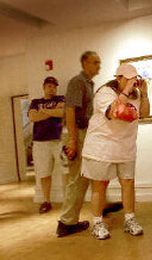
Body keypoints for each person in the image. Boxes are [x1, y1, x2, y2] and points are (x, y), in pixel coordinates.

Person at [81, 63, 150, 239]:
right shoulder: (105, 93)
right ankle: (97, 222)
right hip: (101, 147)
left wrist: (145, 94)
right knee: (100, 185)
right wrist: (126, 90)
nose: (133, 82)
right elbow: (116, 112)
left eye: (134, 78)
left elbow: (145, 113)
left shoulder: (136, 94)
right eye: (128, 78)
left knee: (128, 182)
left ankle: (130, 219)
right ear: (118, 78)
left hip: (125, 147)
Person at [56, 51, 103, 237]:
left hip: (84, 134)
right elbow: (70, 111)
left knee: (89, 174)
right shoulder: (77, 82)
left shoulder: (89, 84)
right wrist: (73, 140)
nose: (98, 65)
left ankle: (101, 206)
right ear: (84, 63)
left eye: (99, 62)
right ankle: (66, 223)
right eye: (95, 62)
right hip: (78, 134)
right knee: (77, 178)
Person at [28, 76, 65, 214]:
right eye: (49, 86)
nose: (52, 89)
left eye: (54, 86)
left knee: (66, 171)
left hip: (59, 141)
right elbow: (33, 117)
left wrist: (43, 111)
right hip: (40, 142)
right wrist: (53, 112)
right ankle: (46, 201)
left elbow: (62, 112)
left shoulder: (61, 99)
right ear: (44, 87)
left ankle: (68, 199)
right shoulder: (35, 102)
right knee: (44, 173)